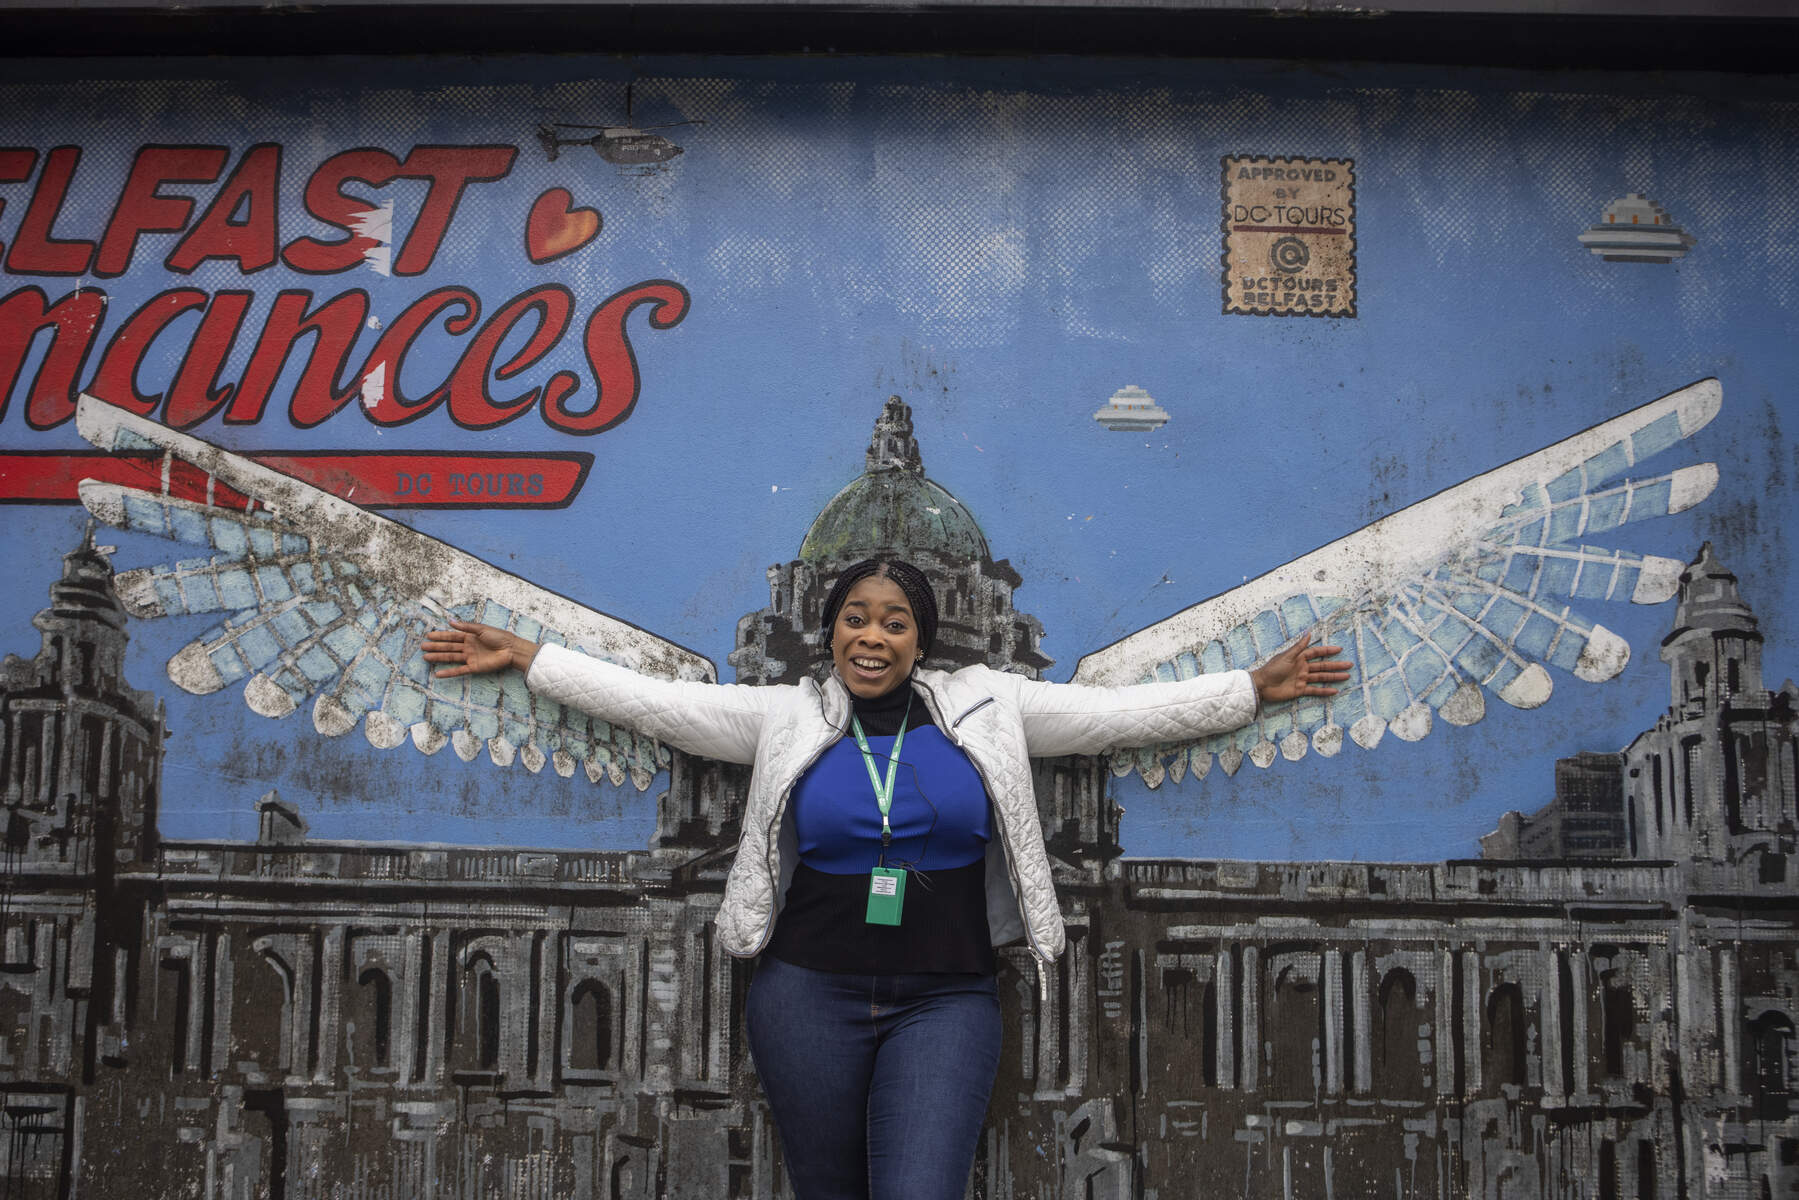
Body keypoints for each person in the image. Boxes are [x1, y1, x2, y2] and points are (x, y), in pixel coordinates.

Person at [423, 558, 1348, 1200]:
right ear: (827, 633)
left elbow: (1115, 717)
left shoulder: (991, 704)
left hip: (945, 1000)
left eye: (893, 622)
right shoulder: (782, 715)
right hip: (804, 996)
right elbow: (661, 705)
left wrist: (1247, 689)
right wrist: (532, 660)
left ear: (923, 637)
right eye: (853, 620)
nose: (871, 638)